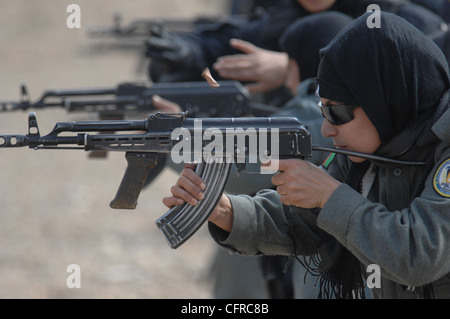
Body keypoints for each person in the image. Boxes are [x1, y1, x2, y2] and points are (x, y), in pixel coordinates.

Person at [162, 12, 450, 299]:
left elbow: (420, 255)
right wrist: (223, 210)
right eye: (323, 111)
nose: (328, 127)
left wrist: (329, 194)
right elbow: (304, 221)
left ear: (384, 100)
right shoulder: (375, 149)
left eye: (337, 112)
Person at [146, 0, 445, 106]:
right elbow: (218, 49)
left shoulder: (403, 19)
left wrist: (295, 69)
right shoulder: (280, 19)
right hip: (281, 179)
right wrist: (187, 54)